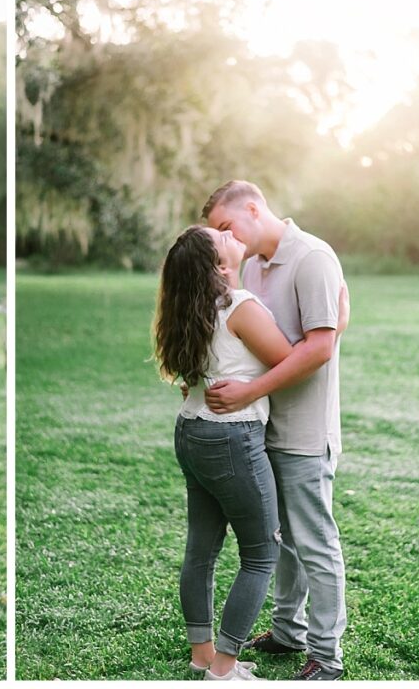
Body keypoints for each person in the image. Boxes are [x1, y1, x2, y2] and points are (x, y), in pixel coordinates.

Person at [202, 180, 348, 681]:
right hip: (263, 429)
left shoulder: (312, 257)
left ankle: (326, 657)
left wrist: (248, 391)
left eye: (225, 227)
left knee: (315, 542)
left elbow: (320, 346)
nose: (224, 240)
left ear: (253, 208)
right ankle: (289, 631)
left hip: (305, 430)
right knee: (284, 539)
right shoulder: (254, 267)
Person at [155, 224, 302, 681]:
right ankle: (224, 669)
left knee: (201, 550)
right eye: (222, 238)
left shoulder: (186, 311)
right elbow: (290, 359)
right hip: (231, 438)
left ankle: (203, 654)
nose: (232, 233)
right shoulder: (240, 308)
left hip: (192, 433)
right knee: (261, 554)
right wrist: (338, 321)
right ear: (221, 265)